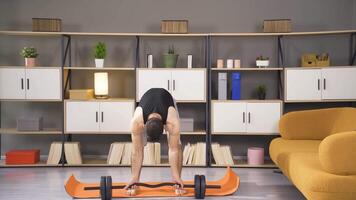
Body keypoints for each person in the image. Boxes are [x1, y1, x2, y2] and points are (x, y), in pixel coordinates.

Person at [125, 88, 184, 195]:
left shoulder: (172, 121)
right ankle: (135, 181)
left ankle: (177, 181)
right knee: (137, 146)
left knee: (177, 145)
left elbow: (173, 149)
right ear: (144, 126)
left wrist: (175, 176)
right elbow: (136, 151)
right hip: (147, 100)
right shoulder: (137, 121)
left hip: (168, 101)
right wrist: (134, 177)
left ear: (165, 127)